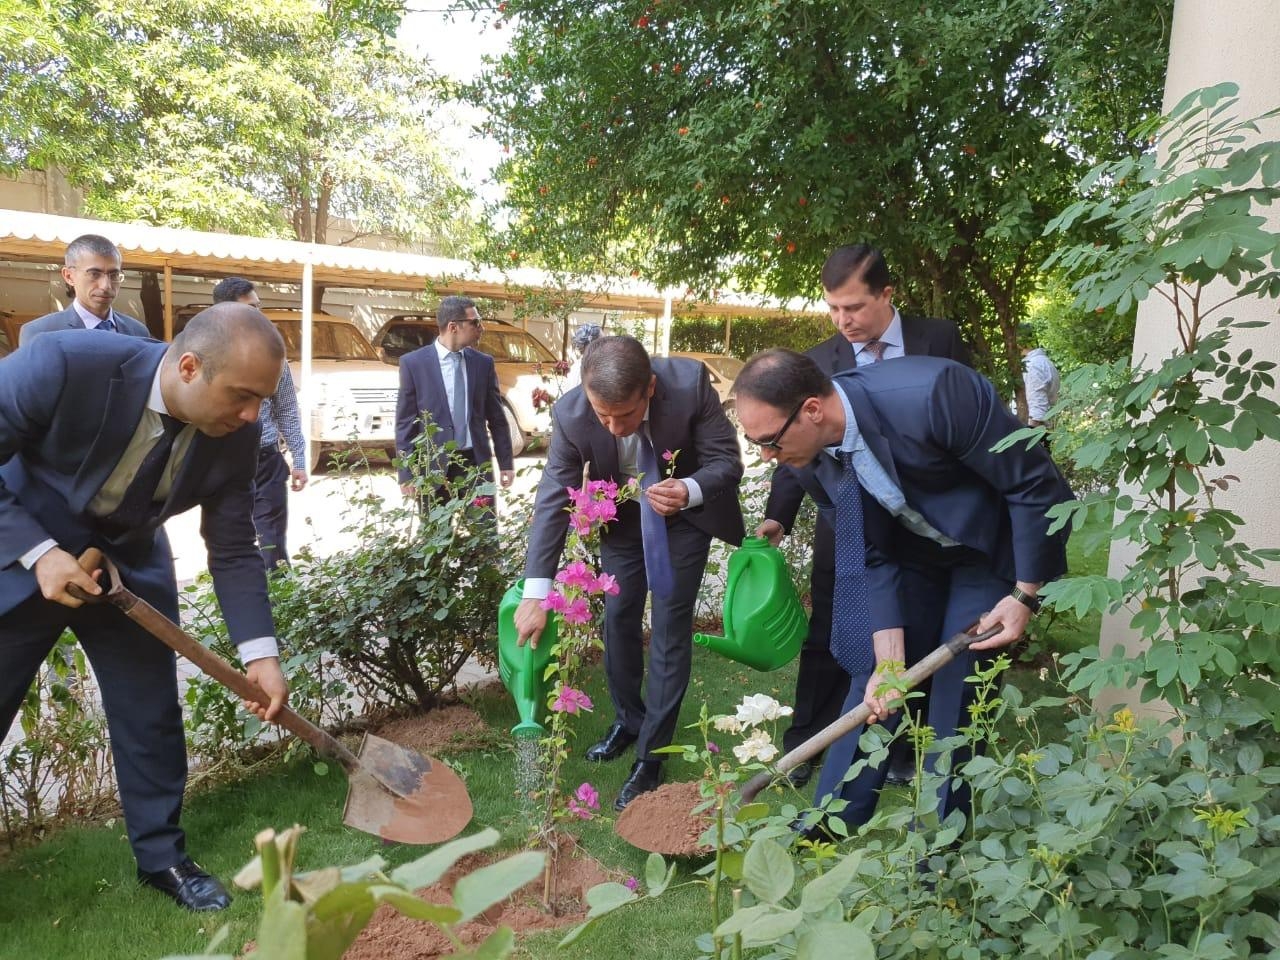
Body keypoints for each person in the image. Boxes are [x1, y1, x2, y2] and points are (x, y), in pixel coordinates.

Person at [0, 303, 290, 912]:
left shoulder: (236, 436)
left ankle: (163, 859)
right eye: (242, 395)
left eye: (263, 400)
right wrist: (39, 551)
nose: (252, 415)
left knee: (150, 716)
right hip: (26, 556)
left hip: (128, 568)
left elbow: (234, 547)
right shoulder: (61, 364)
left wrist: (260, 653)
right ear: (189, 367)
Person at [734, 348, 1072, 837]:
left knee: (959, 689)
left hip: (986, 547)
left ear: (811, 409)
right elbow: (870, 551)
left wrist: (1024, 595)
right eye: (755, 441)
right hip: (913, 553)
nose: (766, 455)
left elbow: (1034, 485)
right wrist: (891, 661)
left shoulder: (934, 396)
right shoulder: (806, 454)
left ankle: (939, 840)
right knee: (877, 678)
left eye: (768, 440)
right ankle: (830, 823)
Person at [762, 244, 972, 789]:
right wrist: (777, 517)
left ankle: (902, 747)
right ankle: (808, 739)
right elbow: (792, 452)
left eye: (852, 308)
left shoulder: (939, 340)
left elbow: (966, 418)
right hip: (853, 525)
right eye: (833, 309)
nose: (843, 321)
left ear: (887, 294)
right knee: (833, 630)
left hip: (927, 522)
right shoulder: (819, 360)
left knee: (917, 633)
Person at [514, 336, 744, 810]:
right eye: (604, 416)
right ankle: (629, 719)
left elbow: (727, 462)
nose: (616, 428)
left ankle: (651, 755)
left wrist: (690, 488)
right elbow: (553, 498)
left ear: (651, 389)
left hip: (682, 523)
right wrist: (536, 593)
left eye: (626, 415)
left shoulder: (691, 385)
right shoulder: (571, 413)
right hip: (621, 524)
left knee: (668, 628)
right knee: (617, 618)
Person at [210, 278, 308, 569]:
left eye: (258, 308)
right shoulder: (205, 355)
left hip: (266, 461)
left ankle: (280, 606)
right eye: (249, 310)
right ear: (224, 313)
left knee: (271, 541)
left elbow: (287, 409)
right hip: (222, 462)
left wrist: (300, 460)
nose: (258, 317)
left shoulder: (274, 357)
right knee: (231, 539)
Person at [395, 296, 515, 507]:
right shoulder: (413, 364)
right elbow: (405, 422)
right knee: (436, 537)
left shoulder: (483, 364)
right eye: (475, 322)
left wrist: (506, 462)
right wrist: (406, 472)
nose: (482, 328)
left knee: (483, 534)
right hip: (433, 467)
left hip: (475, 463)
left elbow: (496, 417)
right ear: (453, 327)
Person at [19, 234, 150, 345]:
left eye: (114, 275)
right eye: (94, 274)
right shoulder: (40, 334)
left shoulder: (137, 332)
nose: (106, 286)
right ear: (69, 276)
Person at [1020, 326, 1062, 428]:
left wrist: (1030, 434)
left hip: (1036, 430)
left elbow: (1037, 407)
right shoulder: (1044, 361)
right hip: (1045, 428)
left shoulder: (1032, 365)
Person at [563, 322, 603, 389]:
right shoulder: (584, 370)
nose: (605, 345)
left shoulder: (578, 365)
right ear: (594, 344)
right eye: (602, 341)